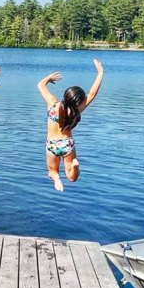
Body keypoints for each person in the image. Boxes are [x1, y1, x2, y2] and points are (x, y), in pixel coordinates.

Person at [37, 59, 104, 192]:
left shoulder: (52, 104)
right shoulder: (76, 111)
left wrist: (48, 79)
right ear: (77, 102)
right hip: (67, 143)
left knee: (52, 172)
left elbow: (40, 85)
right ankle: (74, 166)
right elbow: (93, 93)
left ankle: (57, 179)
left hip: (52, 144)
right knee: (72, 178)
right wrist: (100, 72)